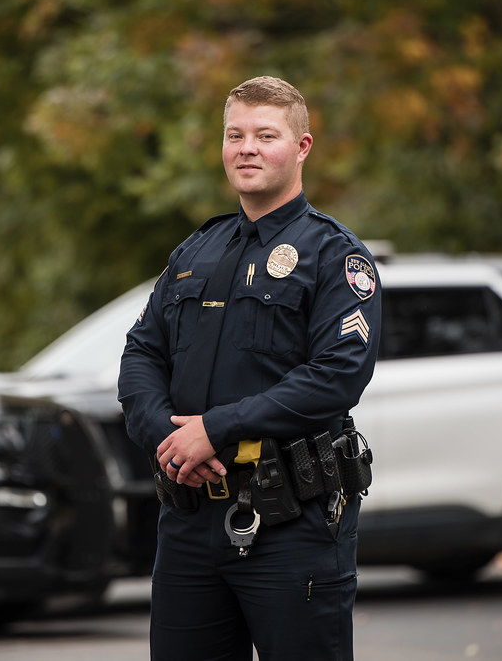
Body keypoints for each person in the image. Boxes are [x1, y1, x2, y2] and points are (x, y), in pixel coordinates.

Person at [118, 75, 381, 661]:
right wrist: (171, 440)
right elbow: (141, 356)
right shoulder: (195, 252)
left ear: (302, 147)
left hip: (292, 521)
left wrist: (215, 429)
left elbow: (337, 375)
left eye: (266, 135)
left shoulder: (334, 254)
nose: (247, 149)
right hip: (188, 520)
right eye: (235, 135)